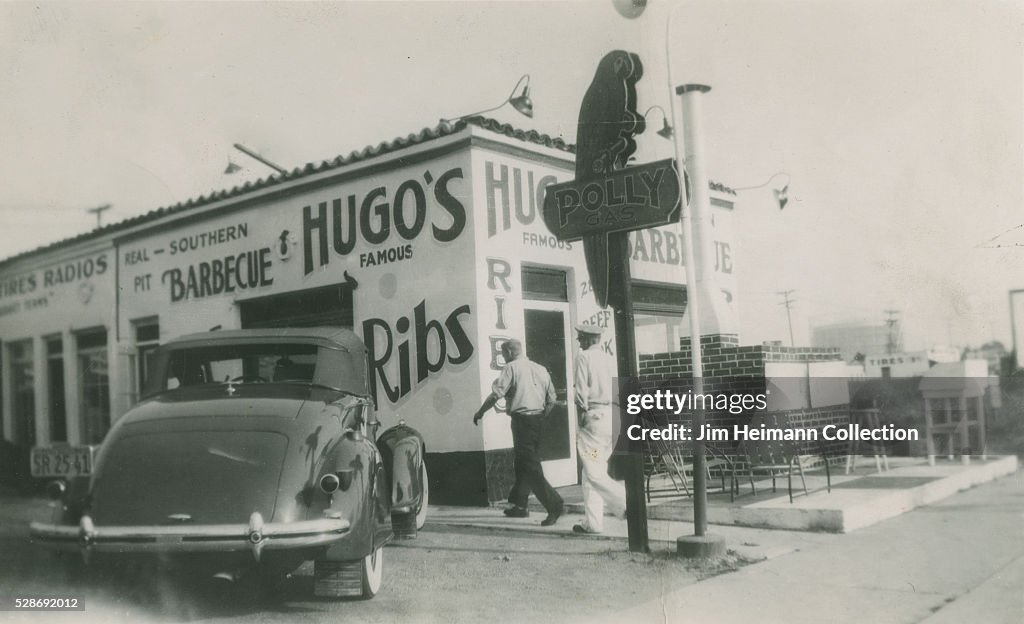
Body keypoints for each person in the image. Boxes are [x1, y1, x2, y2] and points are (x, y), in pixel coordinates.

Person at [472, 338, 563, 526]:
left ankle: (554, 504)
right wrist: (539, 417)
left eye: (504, 354)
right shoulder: (540, 368)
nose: (504, 358)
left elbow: (496, 394)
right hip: (537, 420)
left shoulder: (511, 368)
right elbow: (552, 399)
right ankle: (520, 506)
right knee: (523, 462)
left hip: (522, 421)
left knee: (530, 466)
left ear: (510, 353)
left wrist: (480, 412)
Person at [572, 323, 626, 534]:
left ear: (587, 339)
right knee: (592, 469)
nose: (578, 341)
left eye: (580, 337)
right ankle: (593, 523)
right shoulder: (608, 359)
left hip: (594, 418)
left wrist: (582, 415)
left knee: (594, 472)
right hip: (613, 418)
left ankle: (625, 502)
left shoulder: (584, 357)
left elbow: (580, 391)